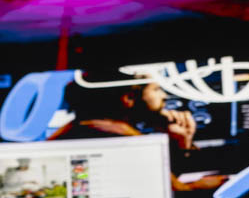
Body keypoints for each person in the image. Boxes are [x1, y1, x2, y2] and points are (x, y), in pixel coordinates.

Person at [50, 80, 227, 191]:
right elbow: (174, 192)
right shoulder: (122, 139)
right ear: (128, 98)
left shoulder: (81, 128)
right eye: (156, 89)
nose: (164, 96)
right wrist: (204, 186)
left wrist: (182, 141)